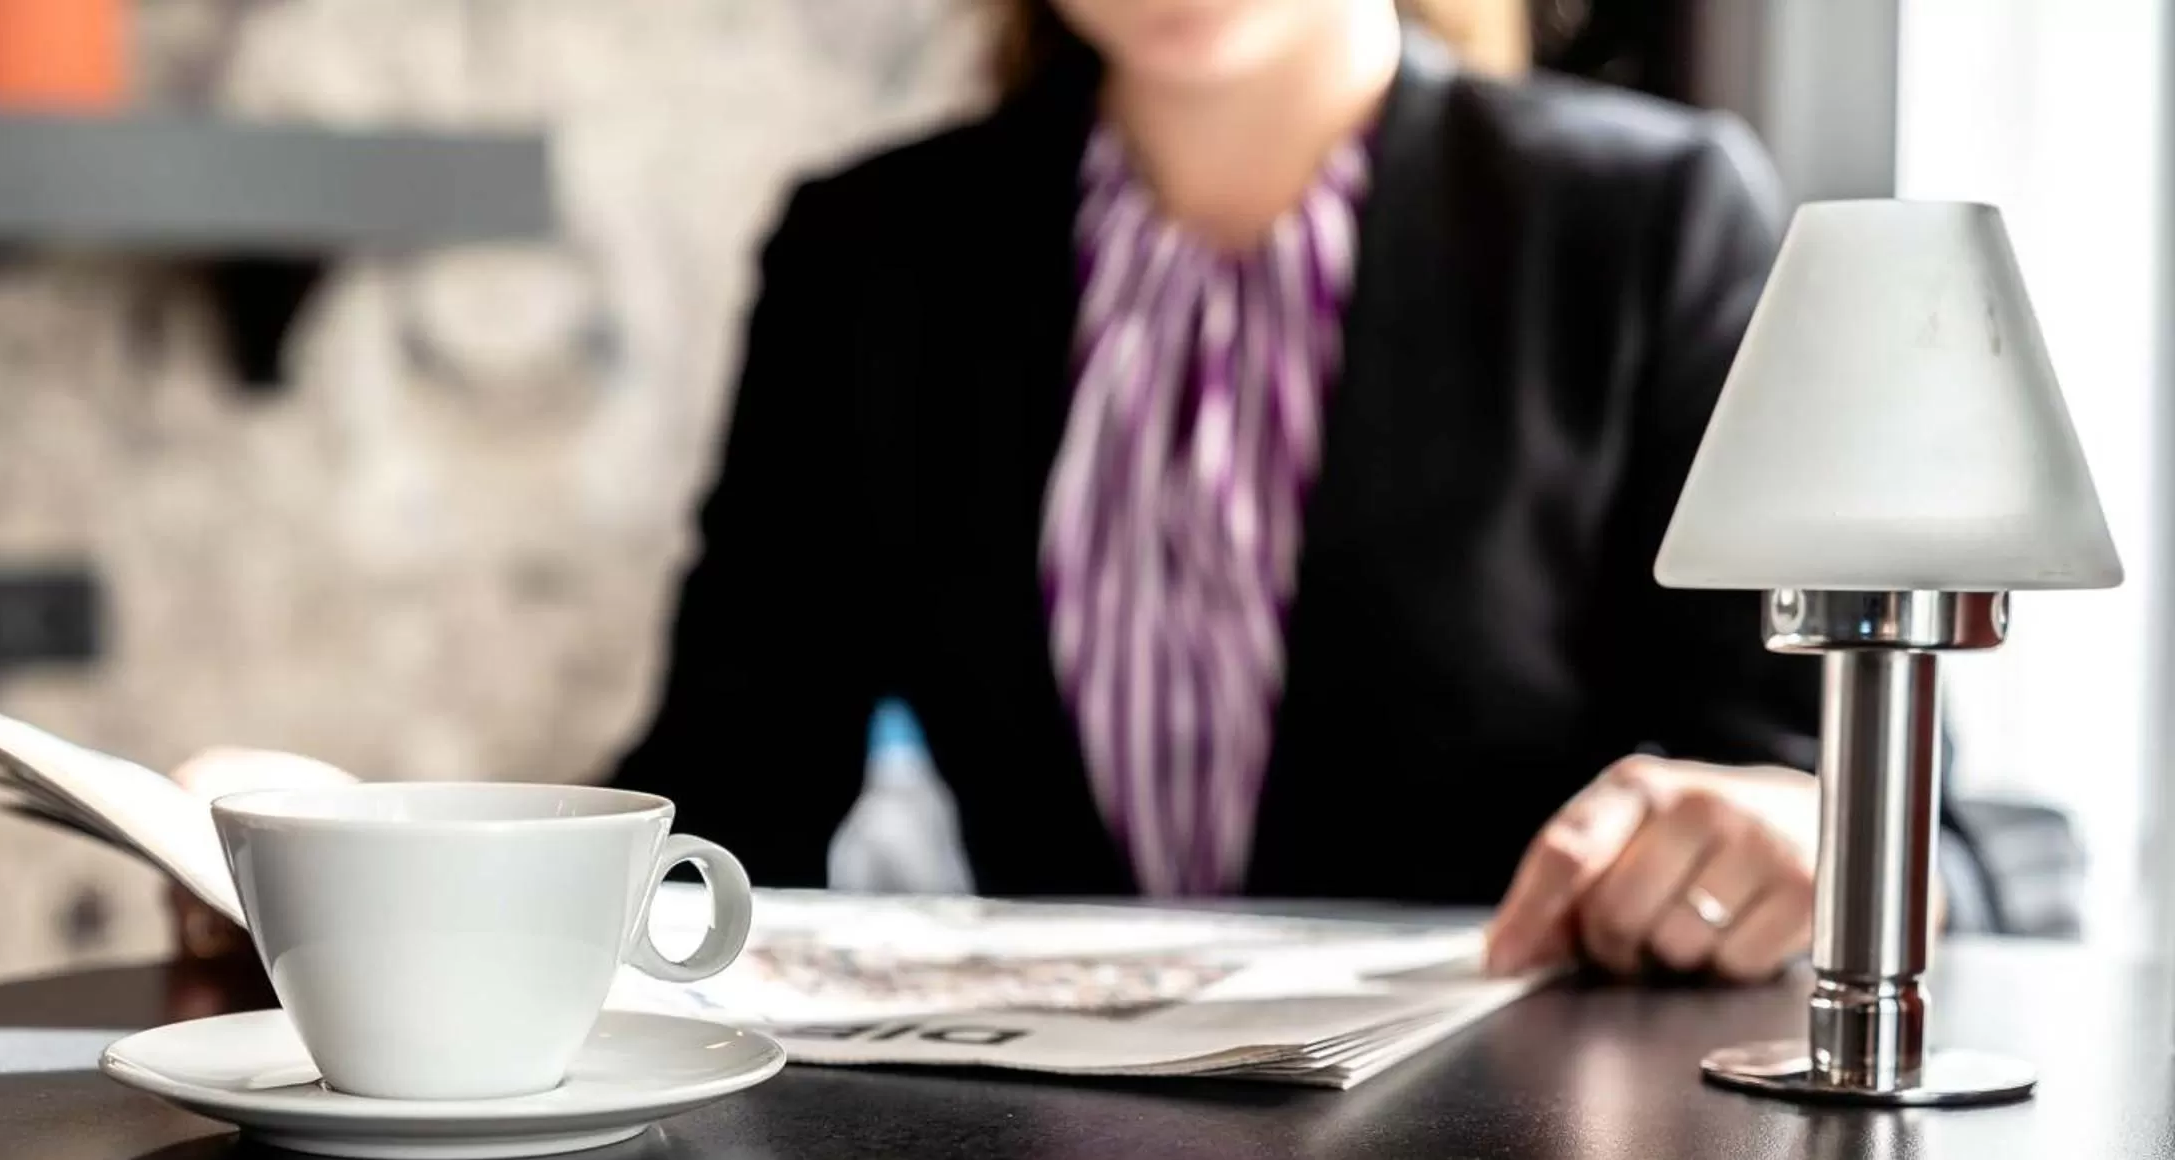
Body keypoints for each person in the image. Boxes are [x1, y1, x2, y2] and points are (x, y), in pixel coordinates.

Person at [181, 0, 1825, 982]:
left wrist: (1787, 835)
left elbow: (1856, 806)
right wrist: (372, 872)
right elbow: (724, 798)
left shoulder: (1651, 226)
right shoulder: (873, 259)